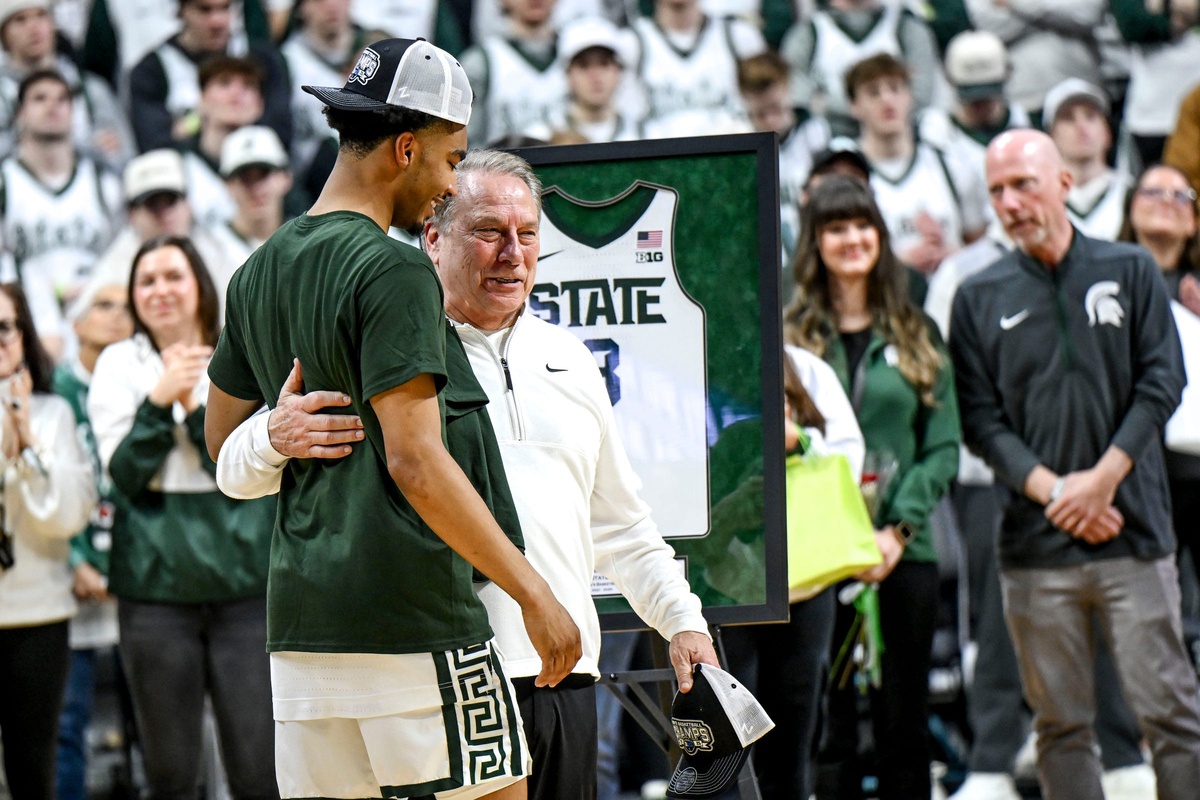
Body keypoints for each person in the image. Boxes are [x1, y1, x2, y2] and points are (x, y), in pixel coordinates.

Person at [214, 148, 719, 800]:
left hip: (564, 672)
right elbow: (232, 463)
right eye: (488, 232)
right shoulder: (388, 344)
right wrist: (270, 435)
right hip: (439, 675)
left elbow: (621, 524)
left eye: (528, 233)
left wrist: (682, 621)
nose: (513, 252)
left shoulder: (572, 360)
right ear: (433, 236)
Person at [202, 38, 581, 800]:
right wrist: (536, 593)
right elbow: (417, 462)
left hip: (303, 640)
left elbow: (223, 451)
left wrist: (276, 437)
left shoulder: (255, 271)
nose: (448, 185)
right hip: (415, 623)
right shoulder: (395, 266)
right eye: (450, 160)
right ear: (406, 148)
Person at [949, 128, 1200, 800]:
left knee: (1174, 720)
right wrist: (1060, 490)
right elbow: (980, 421)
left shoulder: (1131, 268)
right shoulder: (977, 296)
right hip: (1035, 548)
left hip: (1135, 532)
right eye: (996, 190)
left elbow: (1162, 381)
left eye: (1023, 184)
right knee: (1060, 728)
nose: (1009, 202)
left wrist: (1101, 481)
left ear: (1064, 182)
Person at [784, 174, 961, 799]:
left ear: (881, 238)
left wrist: (895, 530)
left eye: (863, 225)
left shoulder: (917, 332)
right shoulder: (788, 337)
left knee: (903, 720)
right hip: (819, 558)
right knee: (826, 725)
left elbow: (942, 449)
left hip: (901, 554)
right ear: (816, 242)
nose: (852, 238)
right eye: (836, 227)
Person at [86, 236, 277, 800]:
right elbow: (122, 473)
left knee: (259, 764)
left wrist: (190, 405)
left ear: (199, 284)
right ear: (133, 296)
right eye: (147, 281)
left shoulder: (239, 351)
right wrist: (156, 401)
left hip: (246, 585)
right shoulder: (119, 362)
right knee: (170, 770)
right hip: (154, 591)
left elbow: (242, 463)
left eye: (173, 276)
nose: (160, 291)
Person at [722, 345, 865, 800]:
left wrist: (797, 439)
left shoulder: (805, 366)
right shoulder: (700, 354)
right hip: (725, 586)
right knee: (724, 742)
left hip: (806, 582)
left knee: (795, 736)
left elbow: (848, 458)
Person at [0, 281, 97, 800]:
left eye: (4, 328)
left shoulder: (53, 414)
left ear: (22, 335)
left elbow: (67, 515)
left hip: (36, 613)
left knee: (34, 768)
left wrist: (28, 444)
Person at [53, 282, 135, 800]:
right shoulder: (54, 390)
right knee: (66, 723)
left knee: (154, 723)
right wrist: (76, 561)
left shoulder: (142, 380)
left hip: (137, 576)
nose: (118, 317)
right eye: (104, 307)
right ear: (76, 323)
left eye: (125, 308)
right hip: (71, 582)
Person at [1118, 163, 1200, 603]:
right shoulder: (1105, 285)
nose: (1167, 203)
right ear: (1130, 209)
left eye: (1180, 196)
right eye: (1153, 193)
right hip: (1134, 466)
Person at [0, 69, 123, 360]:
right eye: (39, 98)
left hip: (96, 323)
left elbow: (118, 260)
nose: (53, 106)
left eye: (63, 99)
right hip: (26, 326)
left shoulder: (105, 184)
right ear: (19, 114)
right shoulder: (5, 184)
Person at [844, 53, 988, 275]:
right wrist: (899, 263)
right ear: (854, 106)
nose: (887, 99)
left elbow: (980, 245)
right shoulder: (848, 174)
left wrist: (953, 257)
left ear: (909, 96)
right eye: (873, 92)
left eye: (895, 88)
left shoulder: (948, 164)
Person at [127, 0, 290, 153]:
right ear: (181, 10)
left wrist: (188, 127)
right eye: (205, 10)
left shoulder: (261, 59)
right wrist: (200, 118)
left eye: (225, 8)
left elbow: (282, 135)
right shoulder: (152, 70)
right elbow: (155, 145)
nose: (217, 22)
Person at [779, 0, 948, 138]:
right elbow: (798, 98)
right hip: (831, 144)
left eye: (892, 88)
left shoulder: (907, 26)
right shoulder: (807, 33)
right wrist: (867, 109)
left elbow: (920, 95)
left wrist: (828, 103)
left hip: (904, 140)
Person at [0, 0, 134, 168]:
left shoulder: (91, 89)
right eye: (20, 20)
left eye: (41, 16)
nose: (33, 28)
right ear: (4, 34)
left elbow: (124, 158)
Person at [737, 50, 831, 265]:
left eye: (775, 109)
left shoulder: (816, 132)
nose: (770, 120)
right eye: (760, 114)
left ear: (787, 88)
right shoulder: (737, 140)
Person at [630, 0, 766, 138]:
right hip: (660, 154)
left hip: (731, 152)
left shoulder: (739, 35)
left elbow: (766, 106)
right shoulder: (631, 43)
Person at [459, 0, 568, 146]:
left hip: (568, 167)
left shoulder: (583, 57)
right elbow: (466, 143)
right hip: (499, 167)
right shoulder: (481, 61)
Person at [180, 56, 270, 229]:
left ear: (260, 105)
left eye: (248, 86)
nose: (236, 93)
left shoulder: (274, 165)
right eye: (224, 83)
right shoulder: (179, 164)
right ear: (202, 99)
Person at [525, 16, 643, 145]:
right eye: (583, 65)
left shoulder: (646, 134)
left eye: (604, 64)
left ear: (619, 71)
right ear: (567, 74)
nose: (595, 76)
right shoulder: (541, 137)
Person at [1043, 78, 1129, 241]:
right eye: (1068, 118)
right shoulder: (1037, 199)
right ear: (1051, 137)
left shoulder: (1132, 195)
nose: (1081, 126)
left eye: (1090, 116)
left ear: (1107, 133)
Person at [208, 124, 293, 267]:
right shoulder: (209, 250)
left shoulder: (308, 240)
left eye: (263, 174)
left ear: (285, 178)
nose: (257, 188)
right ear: (227, 186)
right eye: (245, 178)